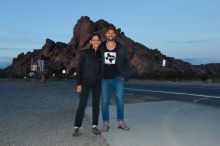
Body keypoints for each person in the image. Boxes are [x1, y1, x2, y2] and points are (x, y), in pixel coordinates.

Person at [100, 26, 131, 132]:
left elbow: (127, 61)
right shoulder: (101, 47)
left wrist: (125, 75)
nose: (110, 34)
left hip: (118, 77)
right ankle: (105, 123)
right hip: (104, 78)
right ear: (105, 35)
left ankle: (121, 122)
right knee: (104, 101)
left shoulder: (121, 48)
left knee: (120, 100)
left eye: (113, 33)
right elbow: (96, 61)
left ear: (115, 35)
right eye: (108, 33)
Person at [72, 33, 102, 137]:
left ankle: (95, 126)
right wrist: (78, 84)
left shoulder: (102, 54)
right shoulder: (84, 53)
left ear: (100, 41)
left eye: (97, 40)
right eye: (94, 40)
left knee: (96, 105)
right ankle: (76, 127)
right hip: (85, 83)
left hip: (97, 83)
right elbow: (79, 69)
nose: (96, 41)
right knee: (82, 105)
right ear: (90, 41)